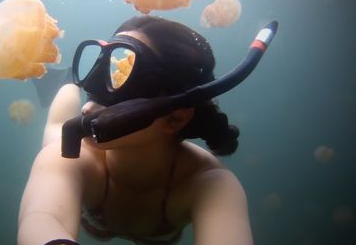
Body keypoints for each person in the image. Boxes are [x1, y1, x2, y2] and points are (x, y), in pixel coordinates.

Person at [18, 15, 257, 245]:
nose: (91, 98)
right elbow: (41, 219)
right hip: (67, 143)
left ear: (174, 119)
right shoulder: (71, 157)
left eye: (126, 79)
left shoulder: (209, 184)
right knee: (59, 123)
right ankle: (67, 83)